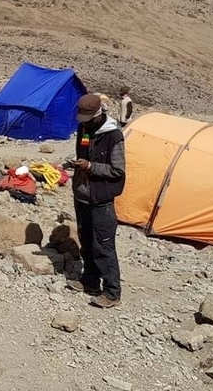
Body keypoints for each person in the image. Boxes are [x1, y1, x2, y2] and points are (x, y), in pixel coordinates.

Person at [67, 92, 126, 308]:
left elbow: (117, 170)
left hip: (101, 198)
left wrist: (91, 166)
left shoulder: (113, 136)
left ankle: (112, 292)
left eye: (88, 118)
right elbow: (84, 151)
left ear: (98, 113)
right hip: (82, 195)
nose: (85, 123)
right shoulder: (84, 129)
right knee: (87, 241)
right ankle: (90, 280)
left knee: (103, 245)